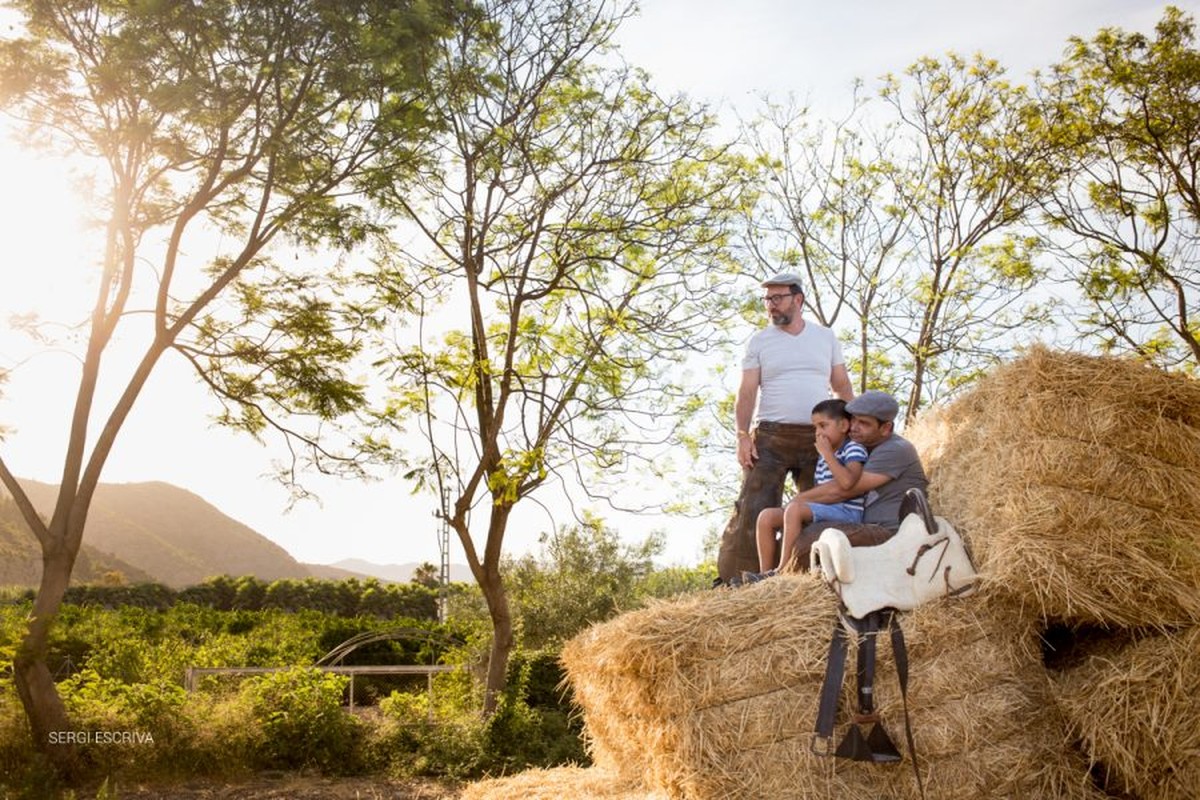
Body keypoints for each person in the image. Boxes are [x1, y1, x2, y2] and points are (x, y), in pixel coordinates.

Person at [718, 272, 854, 585]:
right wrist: (741, 435)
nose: (770, 306)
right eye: (767, 299)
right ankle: (738, 581)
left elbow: (842, 385)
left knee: (819, 507)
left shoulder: (825, 338)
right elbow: (747, 391)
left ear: (798, 299)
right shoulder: (760, 341)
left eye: (777, 298)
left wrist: (852, 431)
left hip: (817, 438)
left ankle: (811, 576)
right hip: (770, 437)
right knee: (754, 507)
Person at [779, 389, 930, 571]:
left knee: (811, 540)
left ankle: (782, 577)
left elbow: (844, 489)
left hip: (890, 533)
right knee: (785, 528)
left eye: (864, 423)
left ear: (886, 428)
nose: (854, 427)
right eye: (854, 420)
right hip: (863, 525)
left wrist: (798, 500)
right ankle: (768, 577)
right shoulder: (861, 447)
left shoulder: (896, 449)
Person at [753, 399, 868, 574]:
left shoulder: (853, 449)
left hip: (847, 512)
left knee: (795, 509)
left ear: (843, 425)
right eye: (815, 427)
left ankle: (783, 570)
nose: (818, 432)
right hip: (827, 509)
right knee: (766, 517)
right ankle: (764, 575)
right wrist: (826, 454)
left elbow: (847, 482)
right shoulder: (824, 454)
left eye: (823, 425)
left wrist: (828, 455)